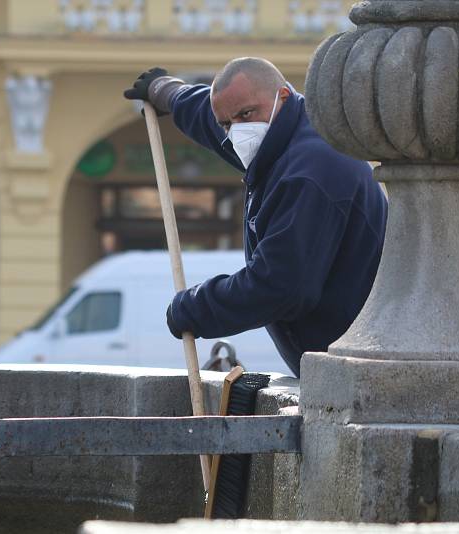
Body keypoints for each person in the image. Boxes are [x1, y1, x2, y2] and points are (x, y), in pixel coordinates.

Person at [123, 58, 387, 377]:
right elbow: (216, 118)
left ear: (283, 97)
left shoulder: (309, 172)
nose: (237, 131)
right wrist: (167, 92)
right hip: (333, 364)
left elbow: (280, 287)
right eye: (227, 124)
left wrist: (191, 307)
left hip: (356, 369)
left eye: (246, 115)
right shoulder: (281, 137)